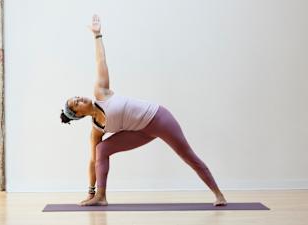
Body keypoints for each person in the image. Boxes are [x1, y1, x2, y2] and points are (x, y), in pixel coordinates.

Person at [60, 14, 227, 207]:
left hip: (158, 118)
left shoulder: (101, 92)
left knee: (187, 155)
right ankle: (101, 196)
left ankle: (218, 195)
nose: (79, 99)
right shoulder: (96, 129)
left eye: (77, 97)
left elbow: (101, 61)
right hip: (140, 132)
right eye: (76, 104)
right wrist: (90, 190)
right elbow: (92, 161)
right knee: (101, 149)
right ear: (79, 114)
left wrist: (97, 36)